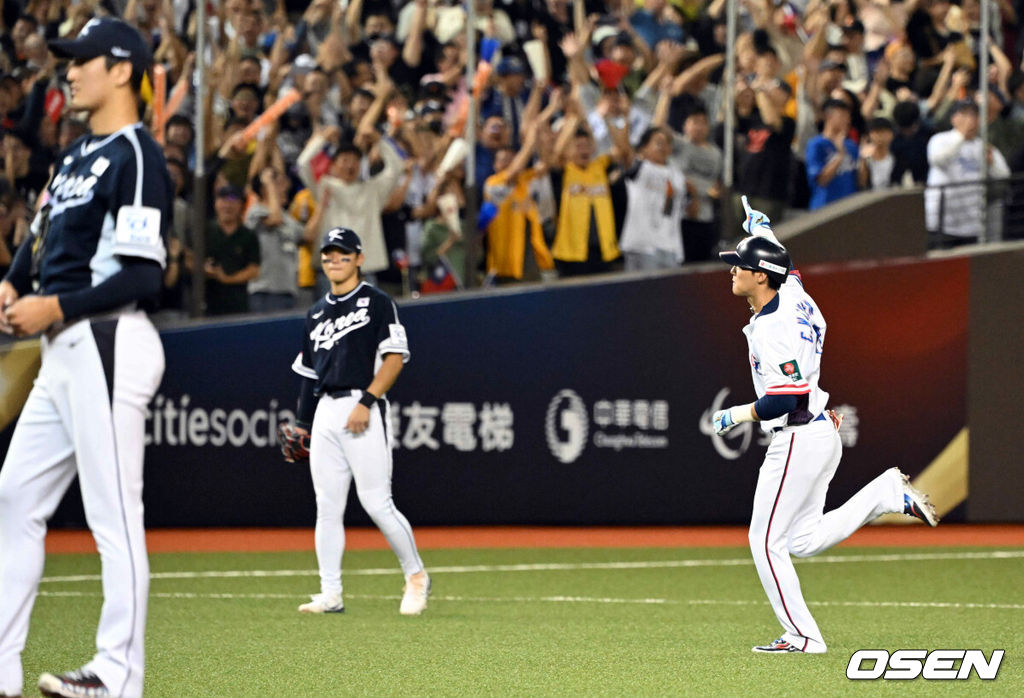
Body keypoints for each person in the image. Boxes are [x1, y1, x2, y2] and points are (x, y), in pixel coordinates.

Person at [0, 18, 171, 698]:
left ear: (123, 69)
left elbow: (143, 275)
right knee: (13, 496)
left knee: (114, 514)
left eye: (82, 60)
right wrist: (13, 281)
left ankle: (117, 674)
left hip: (107, 337)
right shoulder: (75, 156)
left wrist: (57, 305)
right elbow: (38, 240)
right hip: (63, 347)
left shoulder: (137, 153)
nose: (68, 71)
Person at [711, 199, 939, 654]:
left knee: (764, 541)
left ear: (760, 276)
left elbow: (786, 397)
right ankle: (886, 494)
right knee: (803, 539)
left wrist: (736, 414)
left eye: (740, 265)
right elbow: (787, 269)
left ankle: (803, 636)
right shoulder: (791, 293)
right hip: (817, 432)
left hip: (797, 433)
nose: (731, 270)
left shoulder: (776, 327)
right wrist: (765, 230)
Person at [288, 227, 431, 616]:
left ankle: (416, 576)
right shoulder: (315, 313)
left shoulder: (377, 302)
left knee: (377, 502)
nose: (335, 260)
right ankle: (330, 592)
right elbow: (309, 375)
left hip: (361, 405)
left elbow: (395, 357)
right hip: (326, 412)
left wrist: (368, 400)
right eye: (329, 255)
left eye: (343, 254)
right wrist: (302, 424)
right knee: (327, 507)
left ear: (359, 259)